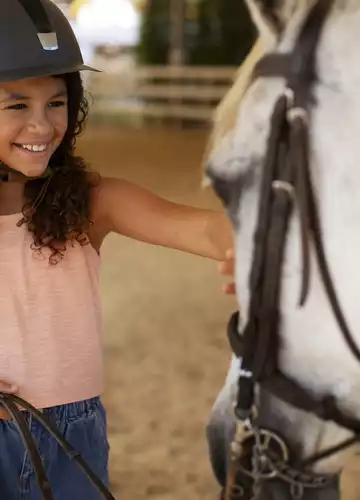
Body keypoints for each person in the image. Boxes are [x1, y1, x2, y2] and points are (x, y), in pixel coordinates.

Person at [0, 1, 235, 498]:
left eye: (56, 102)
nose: (42, 127)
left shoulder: (91, 203)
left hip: (71, 437)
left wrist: (259, 252)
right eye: (16, 105)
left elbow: (208, 230)